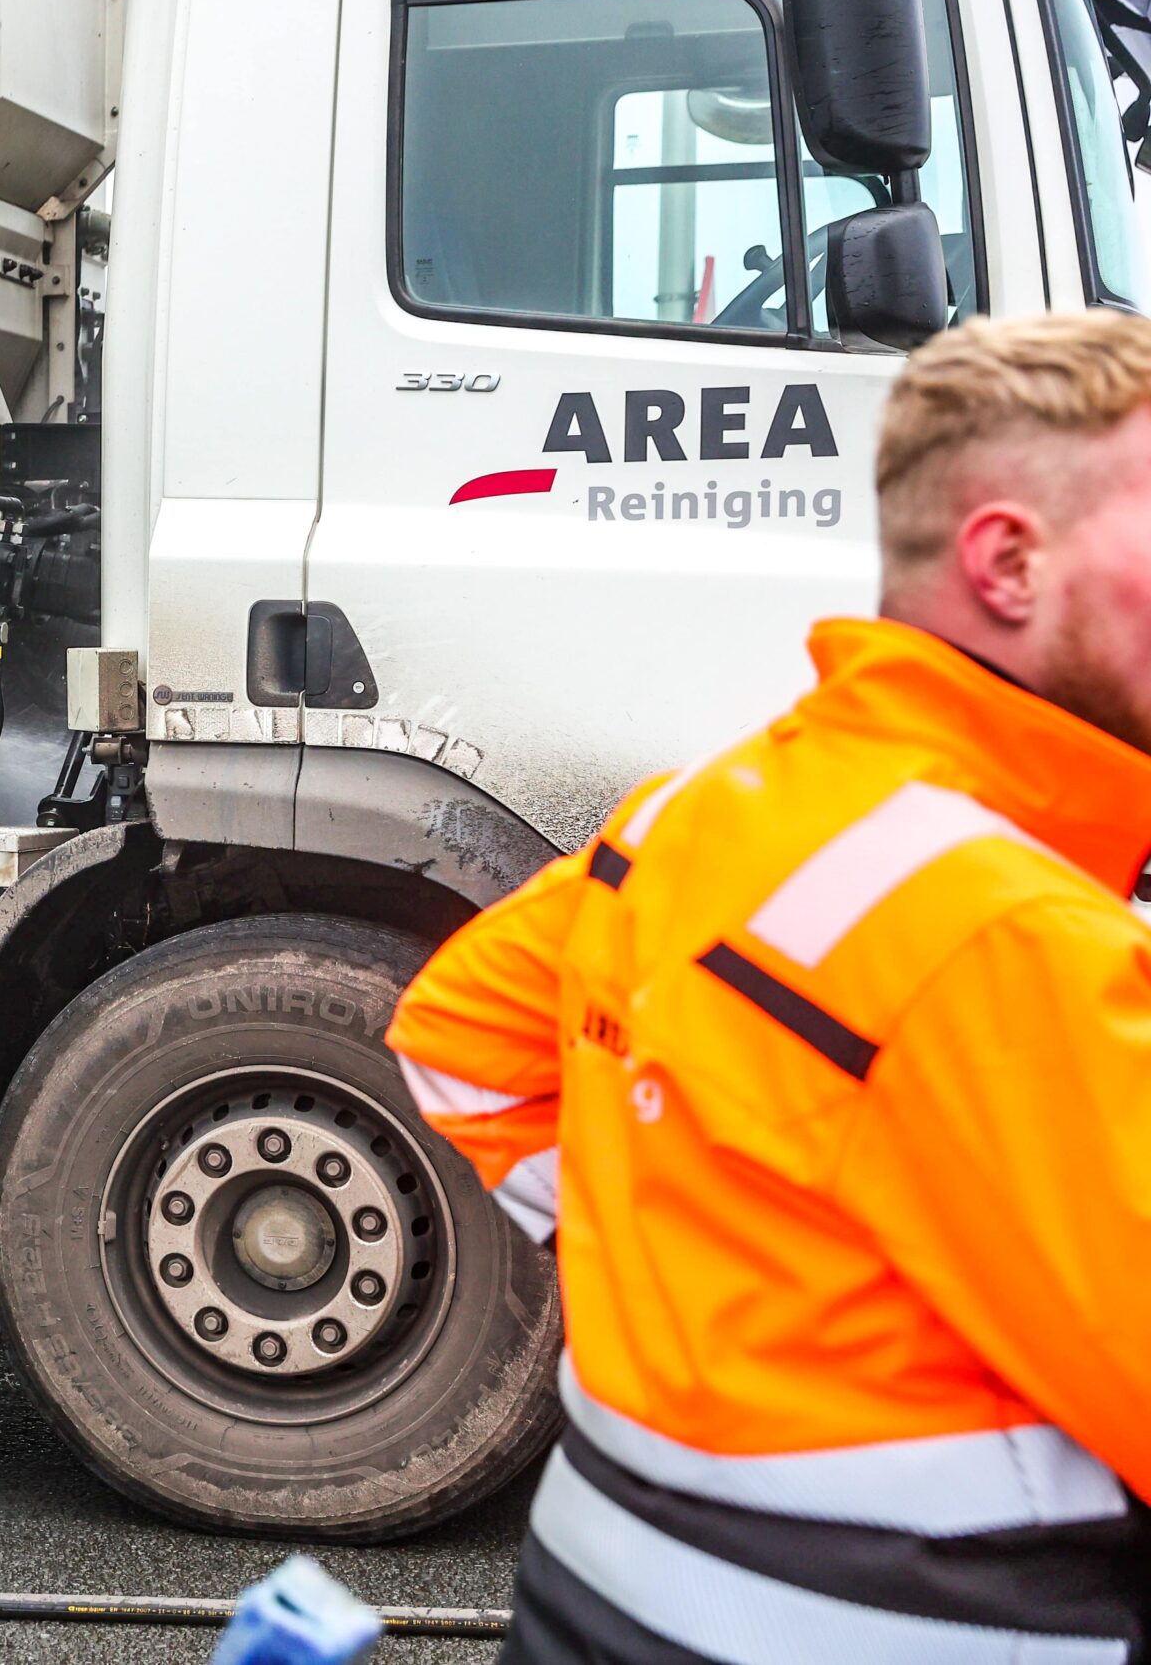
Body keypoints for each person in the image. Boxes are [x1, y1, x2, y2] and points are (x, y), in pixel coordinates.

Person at [388, 314, 1151, 1662]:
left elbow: (461, 1037)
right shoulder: (1015, 935)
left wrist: (682, 1244)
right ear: (1011, 560)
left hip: (603, 1577)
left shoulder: (695, 812)